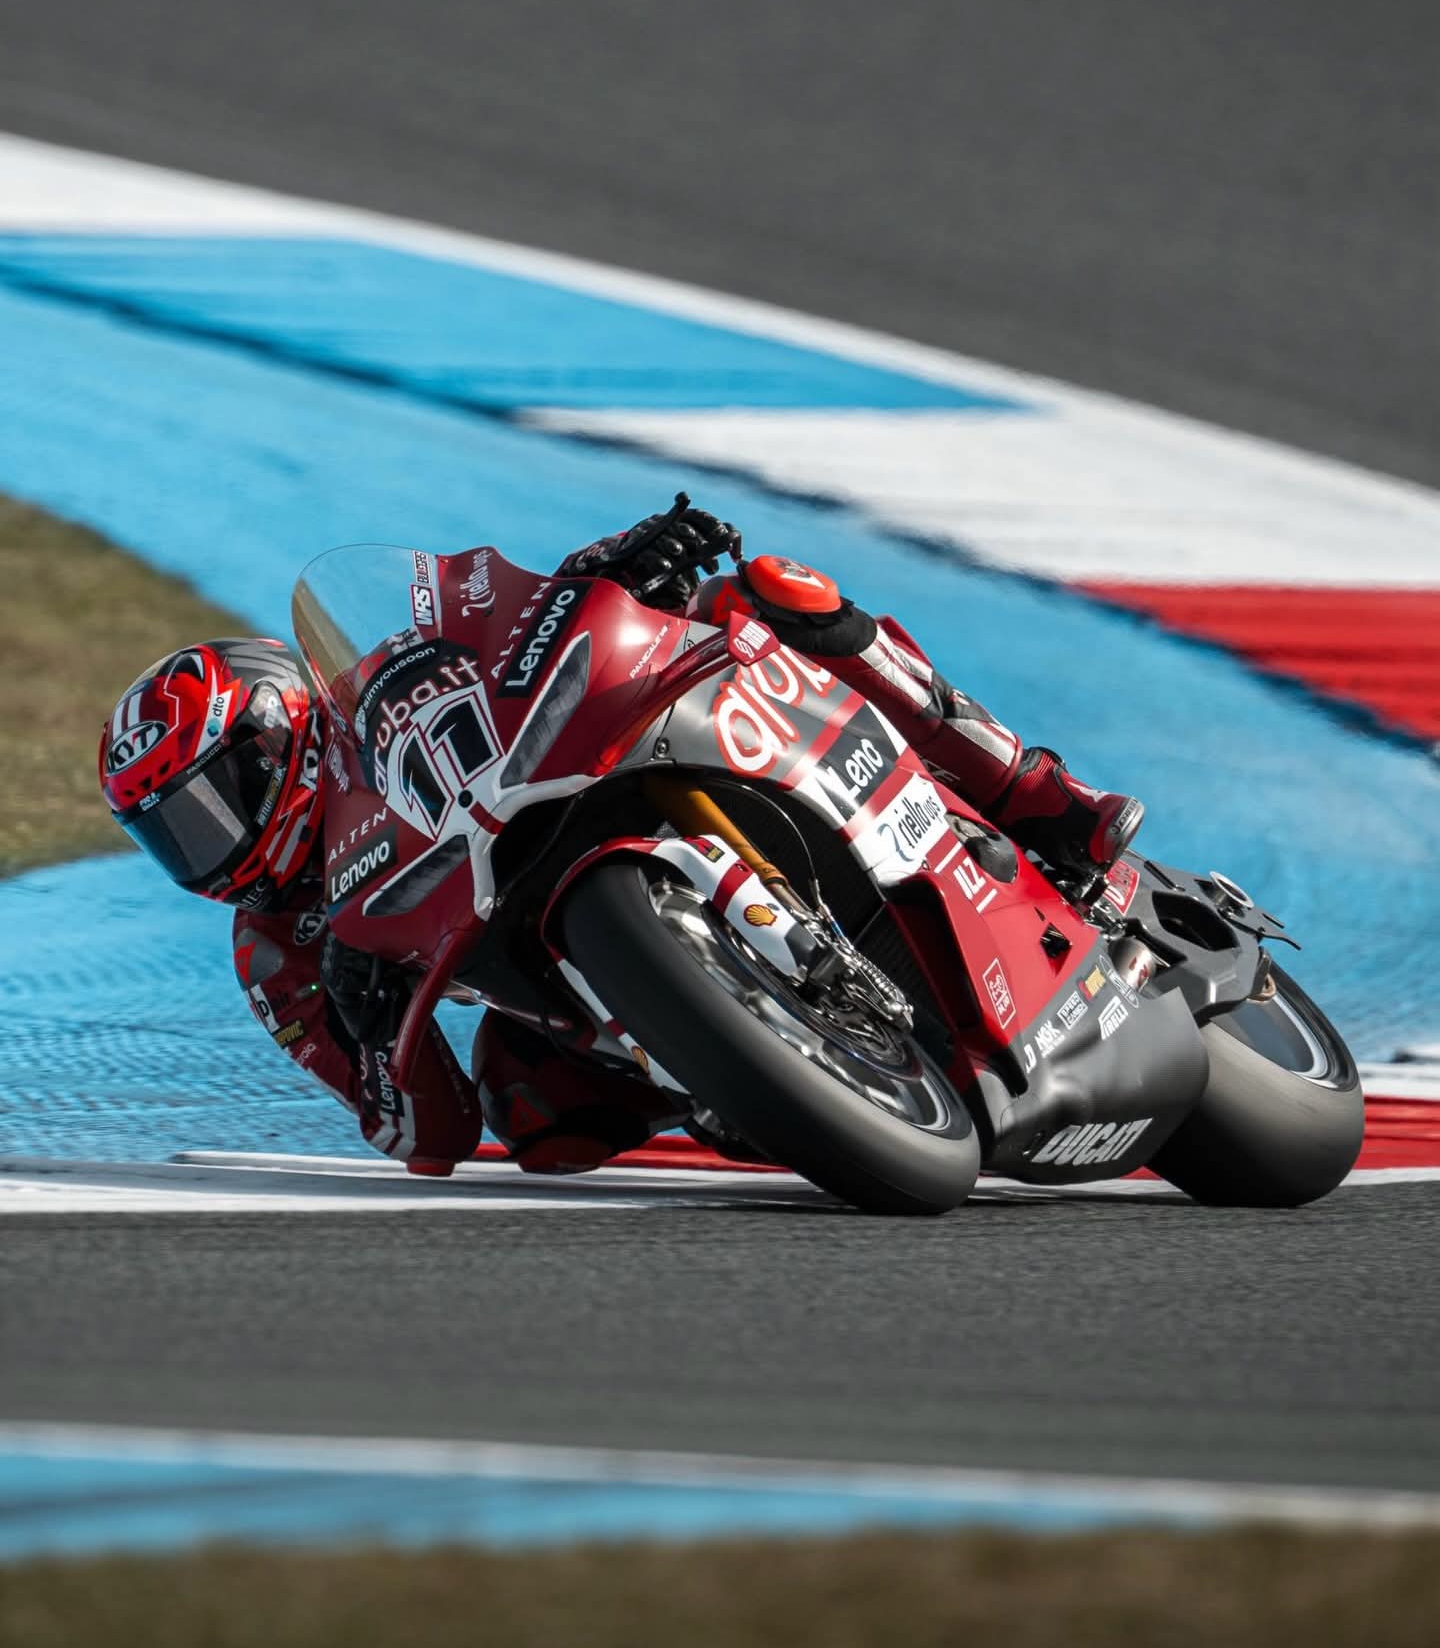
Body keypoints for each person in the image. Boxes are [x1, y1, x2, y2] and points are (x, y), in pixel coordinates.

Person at [98, 506, 1142, 1180]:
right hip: (549, 979)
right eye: (172, 835)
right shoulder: (273, 953)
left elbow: (507, 625)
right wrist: (376, 1046)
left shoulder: (381, 691)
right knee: (541, 1128)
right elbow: (425, 1137)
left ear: (282, 729)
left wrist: (616, 565)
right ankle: (741, 1066)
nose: (211, 847)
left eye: (214, 801)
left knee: (770, 589)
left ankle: (1037, 791)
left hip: (572, 779)